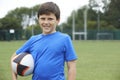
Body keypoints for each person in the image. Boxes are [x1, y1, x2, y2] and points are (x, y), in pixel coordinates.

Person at [11, 2, 77, 80]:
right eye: (43, 18)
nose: (46, 22)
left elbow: (71, 66)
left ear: (57, 20)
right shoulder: (33, 40)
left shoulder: (65, 39)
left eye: (50, 19)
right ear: (38, 19)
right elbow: (13, 58)